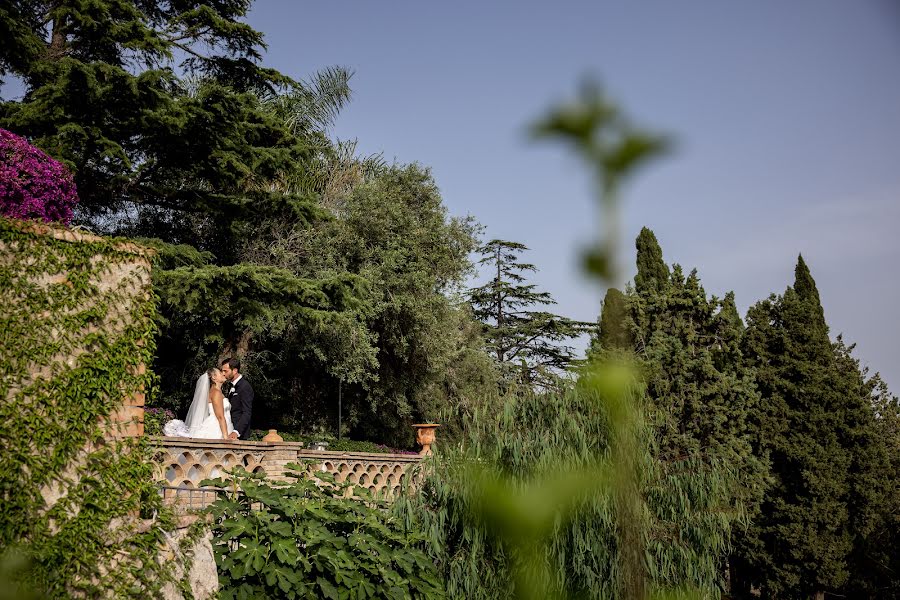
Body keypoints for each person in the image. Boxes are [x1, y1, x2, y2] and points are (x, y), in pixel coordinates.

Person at [163, 368, 237, 439]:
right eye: (220, 373)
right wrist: (226, 437)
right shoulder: (216, 393)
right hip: (217, 428)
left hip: (225, 425)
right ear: (214, 377)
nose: (223, 374)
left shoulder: (217, 392)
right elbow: (220, 417)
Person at [220, 357, 253, 440]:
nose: (223, 374)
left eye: (225, 371)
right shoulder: (231, 385)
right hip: (230, 429)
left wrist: (236, 431)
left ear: (235, 371)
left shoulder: (245, 386)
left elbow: (247, 412)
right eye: (222, 371)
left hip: (238, 434)